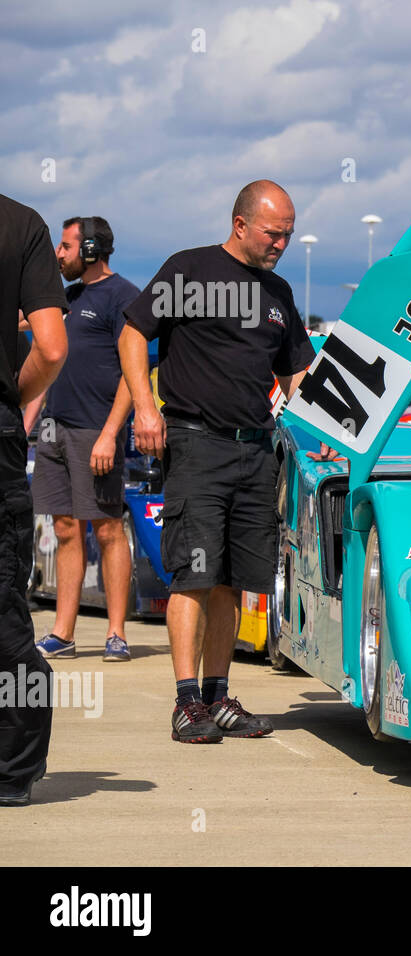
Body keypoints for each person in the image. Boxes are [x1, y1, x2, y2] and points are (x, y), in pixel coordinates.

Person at [119, 180, 318, 744]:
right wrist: (143, 405)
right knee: (194, 575)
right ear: (240, 224)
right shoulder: (190, 271)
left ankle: (217, 695)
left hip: (257, 449)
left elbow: (297, 373)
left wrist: (337, 426)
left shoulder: (279, 291)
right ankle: (186, 704)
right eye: (273, 233)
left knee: (234, 580)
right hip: (197, 442)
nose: (282, 242)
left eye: (289, 234)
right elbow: (134, 333)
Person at [31, 217, 139, 663]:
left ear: (91, 249)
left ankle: (116, 634)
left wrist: (110, 435)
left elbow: (133, 377)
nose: (59, 254)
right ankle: (64, 632)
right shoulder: (67, 298)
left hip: (96, 432)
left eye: (65, 246)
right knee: (64, 528)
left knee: (109, 528)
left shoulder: (124, 297)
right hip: (54, 431)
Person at [0, 194, 69, 805]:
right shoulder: (20, 224)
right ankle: (13, 771)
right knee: (3, 610)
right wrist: (10, 403)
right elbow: (50, 348)